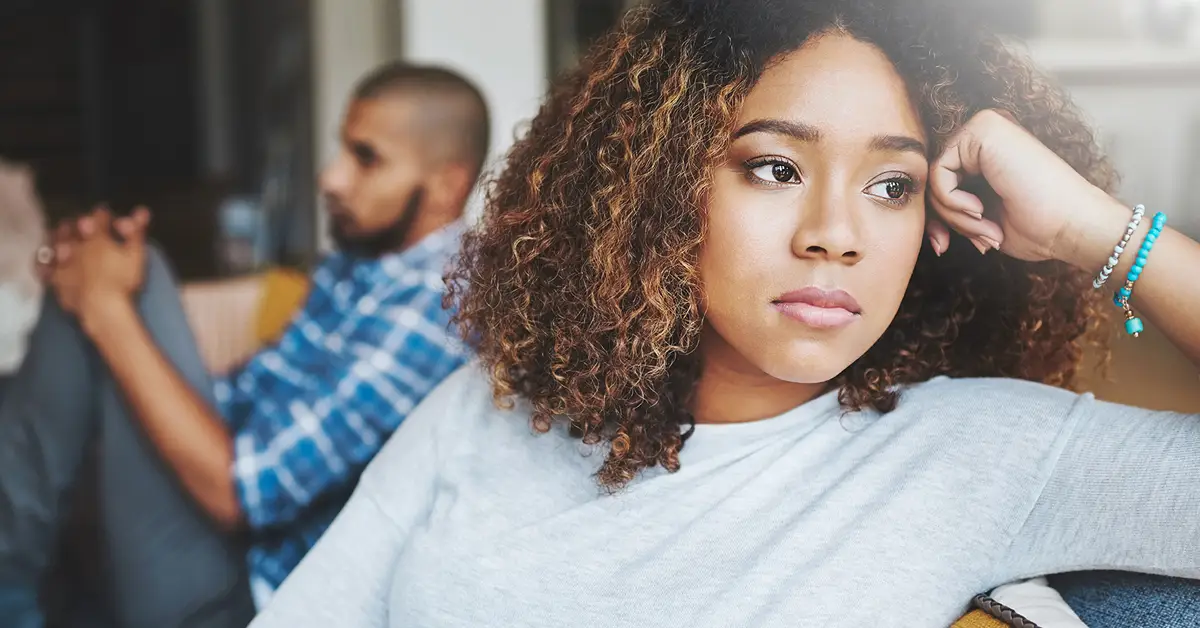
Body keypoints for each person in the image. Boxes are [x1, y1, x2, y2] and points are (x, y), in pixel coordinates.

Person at [253, 1, 1200, 626]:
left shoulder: (984, 456)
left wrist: (1103, 232)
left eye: (891, 184)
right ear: (658, 190)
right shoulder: (488, 405)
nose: (835, 234)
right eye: (775, 168)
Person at [0, 62, 489, 628]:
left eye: (366, 158)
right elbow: (238, 400)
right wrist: (99, 291)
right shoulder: (363, 267)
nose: (331, 177)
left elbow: (240, 495)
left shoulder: (435, 307)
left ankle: (7, 583)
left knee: (125, 283)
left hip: (246, 593)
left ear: (448, 183)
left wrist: (106, 308)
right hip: (219, 542)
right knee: (117, 265)